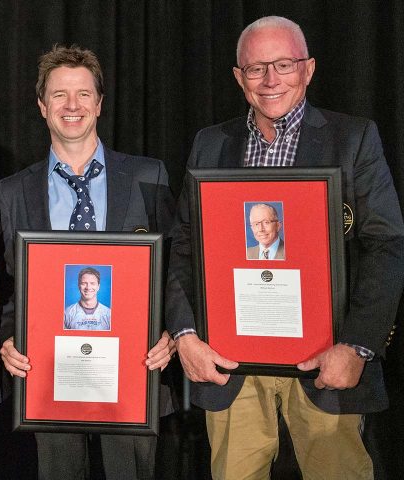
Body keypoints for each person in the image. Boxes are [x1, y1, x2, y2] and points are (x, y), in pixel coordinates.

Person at [165, 16, 404, 479]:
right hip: (232, 366)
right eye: (256, 68)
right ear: (239, 77)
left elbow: (386, 245)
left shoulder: (353, 138)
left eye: (284, 64)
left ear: (308, 69)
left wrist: (358, 345)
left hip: (325, 360)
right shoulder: (211, 143)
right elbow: (183, 246)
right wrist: (184, 334)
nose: (270, 79)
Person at [0, 46, 175, 480]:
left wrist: (173, 333)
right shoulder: (13, 191)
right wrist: (6, 338)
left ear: (99, 103)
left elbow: (175, 269)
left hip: (134, 371)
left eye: (82, 94)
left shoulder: (147, 177)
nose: (71, 106)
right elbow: (8, 283)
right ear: (42, 106)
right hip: (49, 374)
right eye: (59, 95)